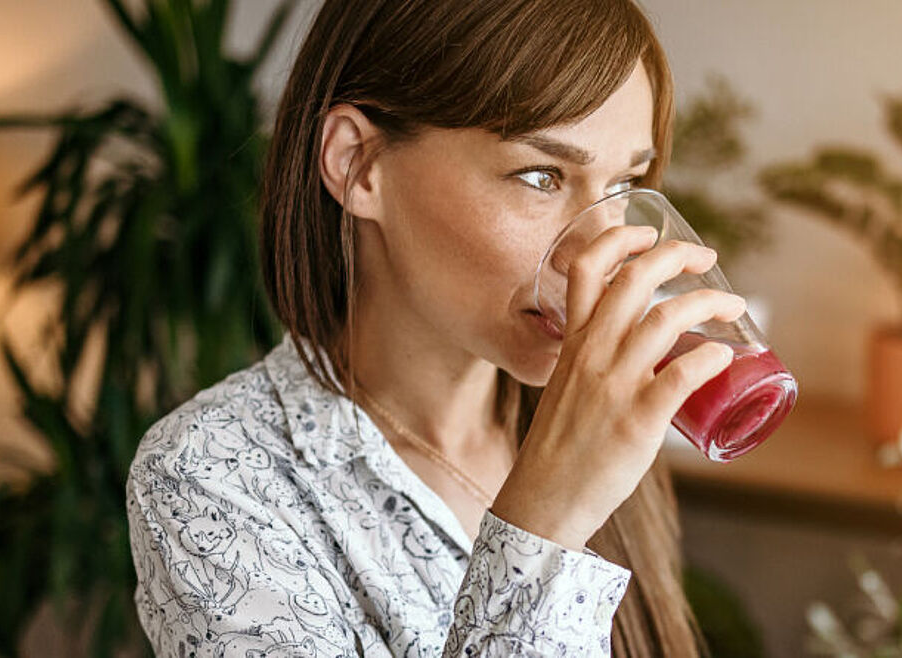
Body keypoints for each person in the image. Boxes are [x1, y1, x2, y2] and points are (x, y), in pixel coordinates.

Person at [125, 0, 747, 655]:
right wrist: (545, 526)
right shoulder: (212, 482)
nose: (600, 251)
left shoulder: (599, 418)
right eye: (540, 176)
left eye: (625, 182)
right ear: (358, 165)